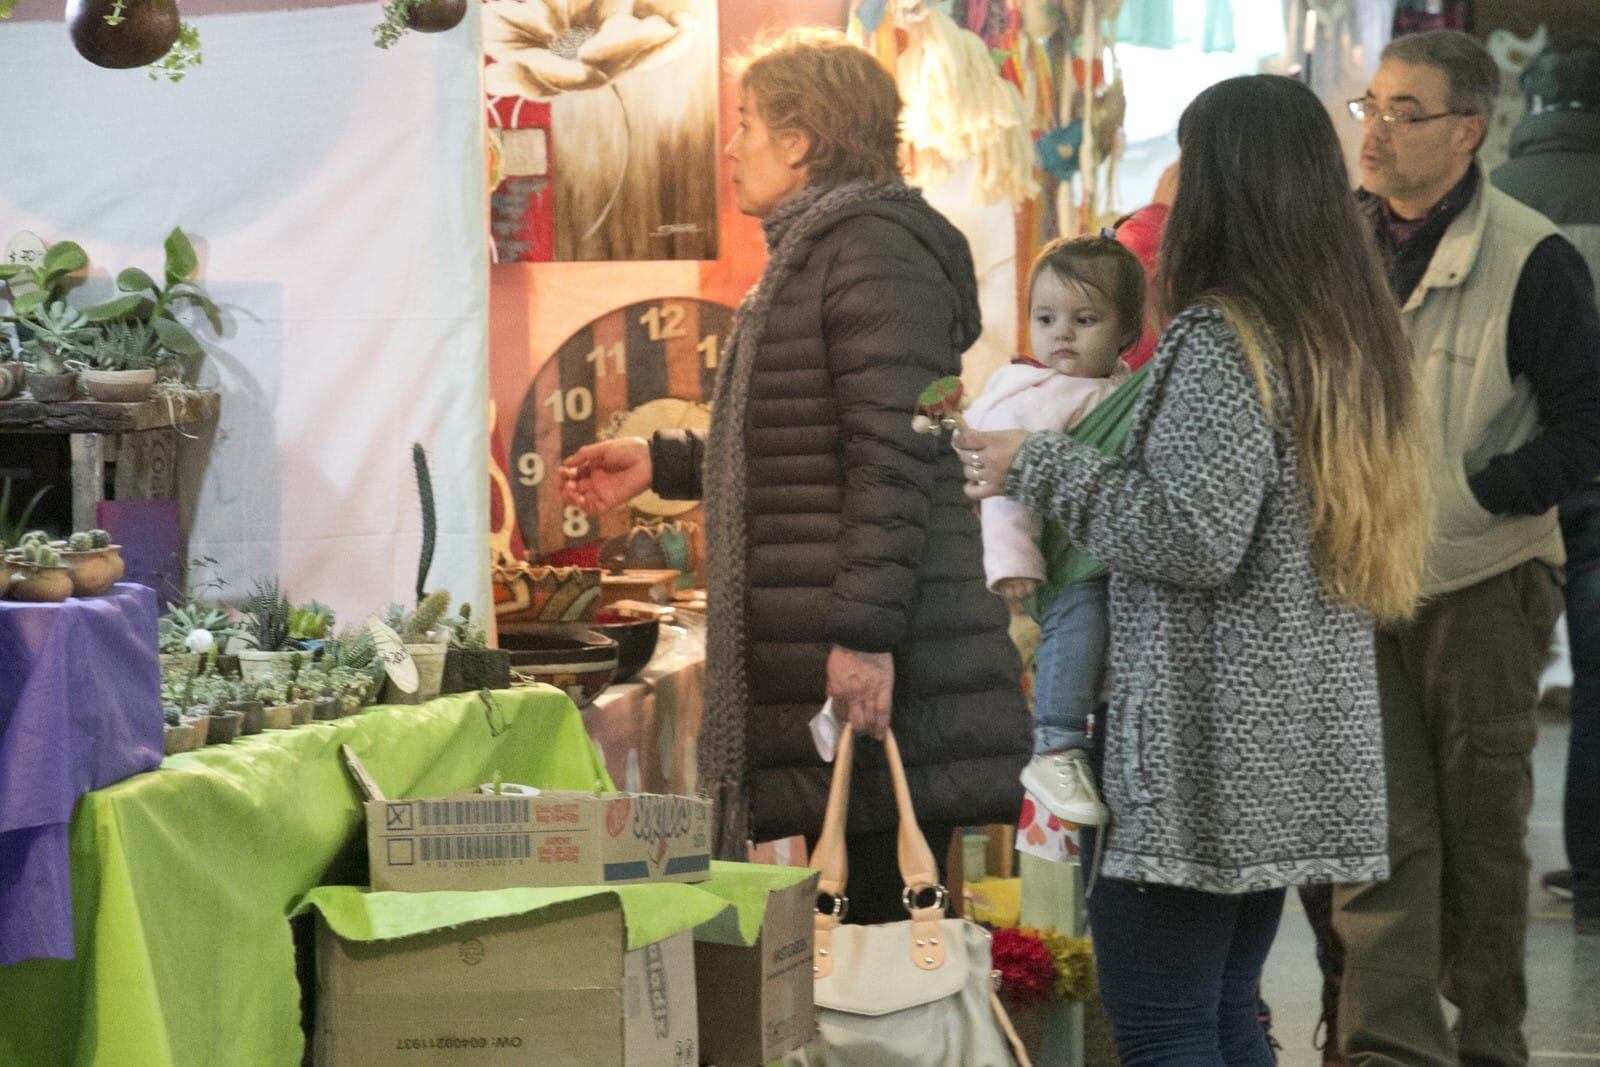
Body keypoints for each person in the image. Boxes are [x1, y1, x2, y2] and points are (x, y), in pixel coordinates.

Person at [956, 73, 1431, 1065]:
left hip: (1197, 752)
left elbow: (1190, 534)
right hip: (1284, 742)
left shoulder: (1225, 337)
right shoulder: (1346, 329)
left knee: (1167, 1021)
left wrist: (1033, 460)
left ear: (1221, 187)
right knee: (1220, 1009)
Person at [558, 27, 1030, 924]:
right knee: (866, 930)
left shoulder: (871, 256)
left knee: (885, 940)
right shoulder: (826, 253)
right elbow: (806, 444)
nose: (731, 146)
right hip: (855, 642)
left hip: (884, 662)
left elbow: (898, 454)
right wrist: (659, 461)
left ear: (801, 139)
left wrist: (862, 637)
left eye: (746, 123)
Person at [1333, 30, 1600, 1067]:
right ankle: (1387, 1046)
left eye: (1405, 112)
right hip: (1354, 576)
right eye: (1370, 106)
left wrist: (1478, 493)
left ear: (1467, 129)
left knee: (1482, 826)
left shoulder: (1531, 254)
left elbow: (1586, 424)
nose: (1377, 130)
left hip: (1481, 577)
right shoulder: (1338, 243)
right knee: (1379, 830)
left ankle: (1490, 1040)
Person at [964, 235, 1145, 826]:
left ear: (1126, 331)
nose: (1061, 335)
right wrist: (1013, 561)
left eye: (1084, 319)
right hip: (1066, 565)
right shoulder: (1038, 395)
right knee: (1080, 619)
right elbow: (1004, 484)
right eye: (1046, 319)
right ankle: (1055, 746)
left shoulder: (1118, 388)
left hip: (1109, 551)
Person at [1492, 31, 1600, 939]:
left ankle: (1480, 886)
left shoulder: (1495, 205)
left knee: (1491, 695)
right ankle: (1598, 871)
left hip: (1512, 481)